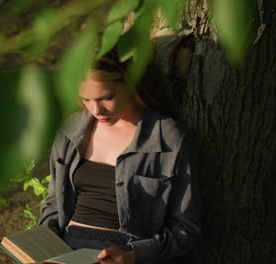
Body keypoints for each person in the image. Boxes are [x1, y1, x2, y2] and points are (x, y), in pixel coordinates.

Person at [38, 50, 200, 264]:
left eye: (107, 97)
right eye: (86, 99)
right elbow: (53, 203)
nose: (96, 110)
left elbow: (185, 227)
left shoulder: (166, 137)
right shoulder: (71, 131)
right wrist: (42, 245)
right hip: (65, 247)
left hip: (124, 251)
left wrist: (133, 256)